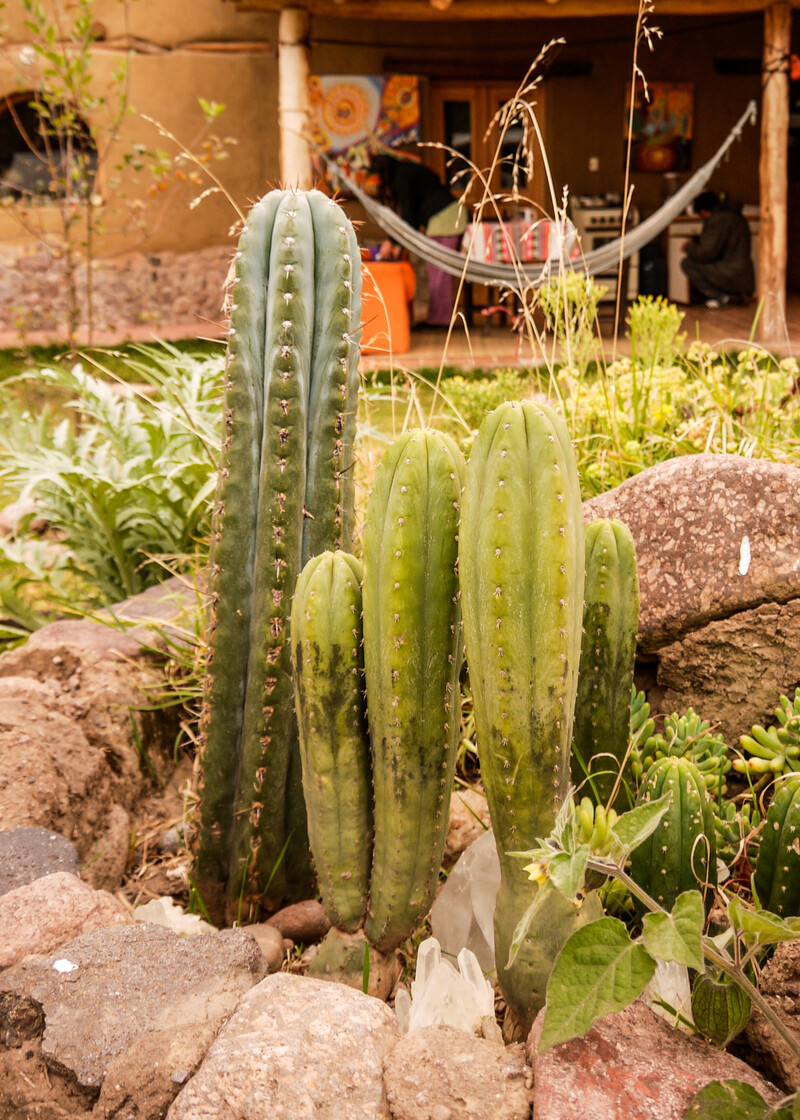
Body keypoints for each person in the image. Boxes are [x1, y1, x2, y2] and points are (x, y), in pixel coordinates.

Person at [366, 153, 466, 328]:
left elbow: (408, 216)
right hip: (448, 216)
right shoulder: (407, 172)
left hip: (446, 219)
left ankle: (440, 321)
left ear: (385, 173)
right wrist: (397, 243)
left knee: (438, 272)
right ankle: (438, 318)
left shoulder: (402, 178)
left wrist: (393, 242)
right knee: (438, 271)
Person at [680, 190, 755, 309]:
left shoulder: (717, 220)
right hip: (744, 275)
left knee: (688, 263)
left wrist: (689, 246)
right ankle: (734, 295)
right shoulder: (736, 215)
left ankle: (721, 297)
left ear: (703, 211)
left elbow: (706, 253)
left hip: (730, 273)